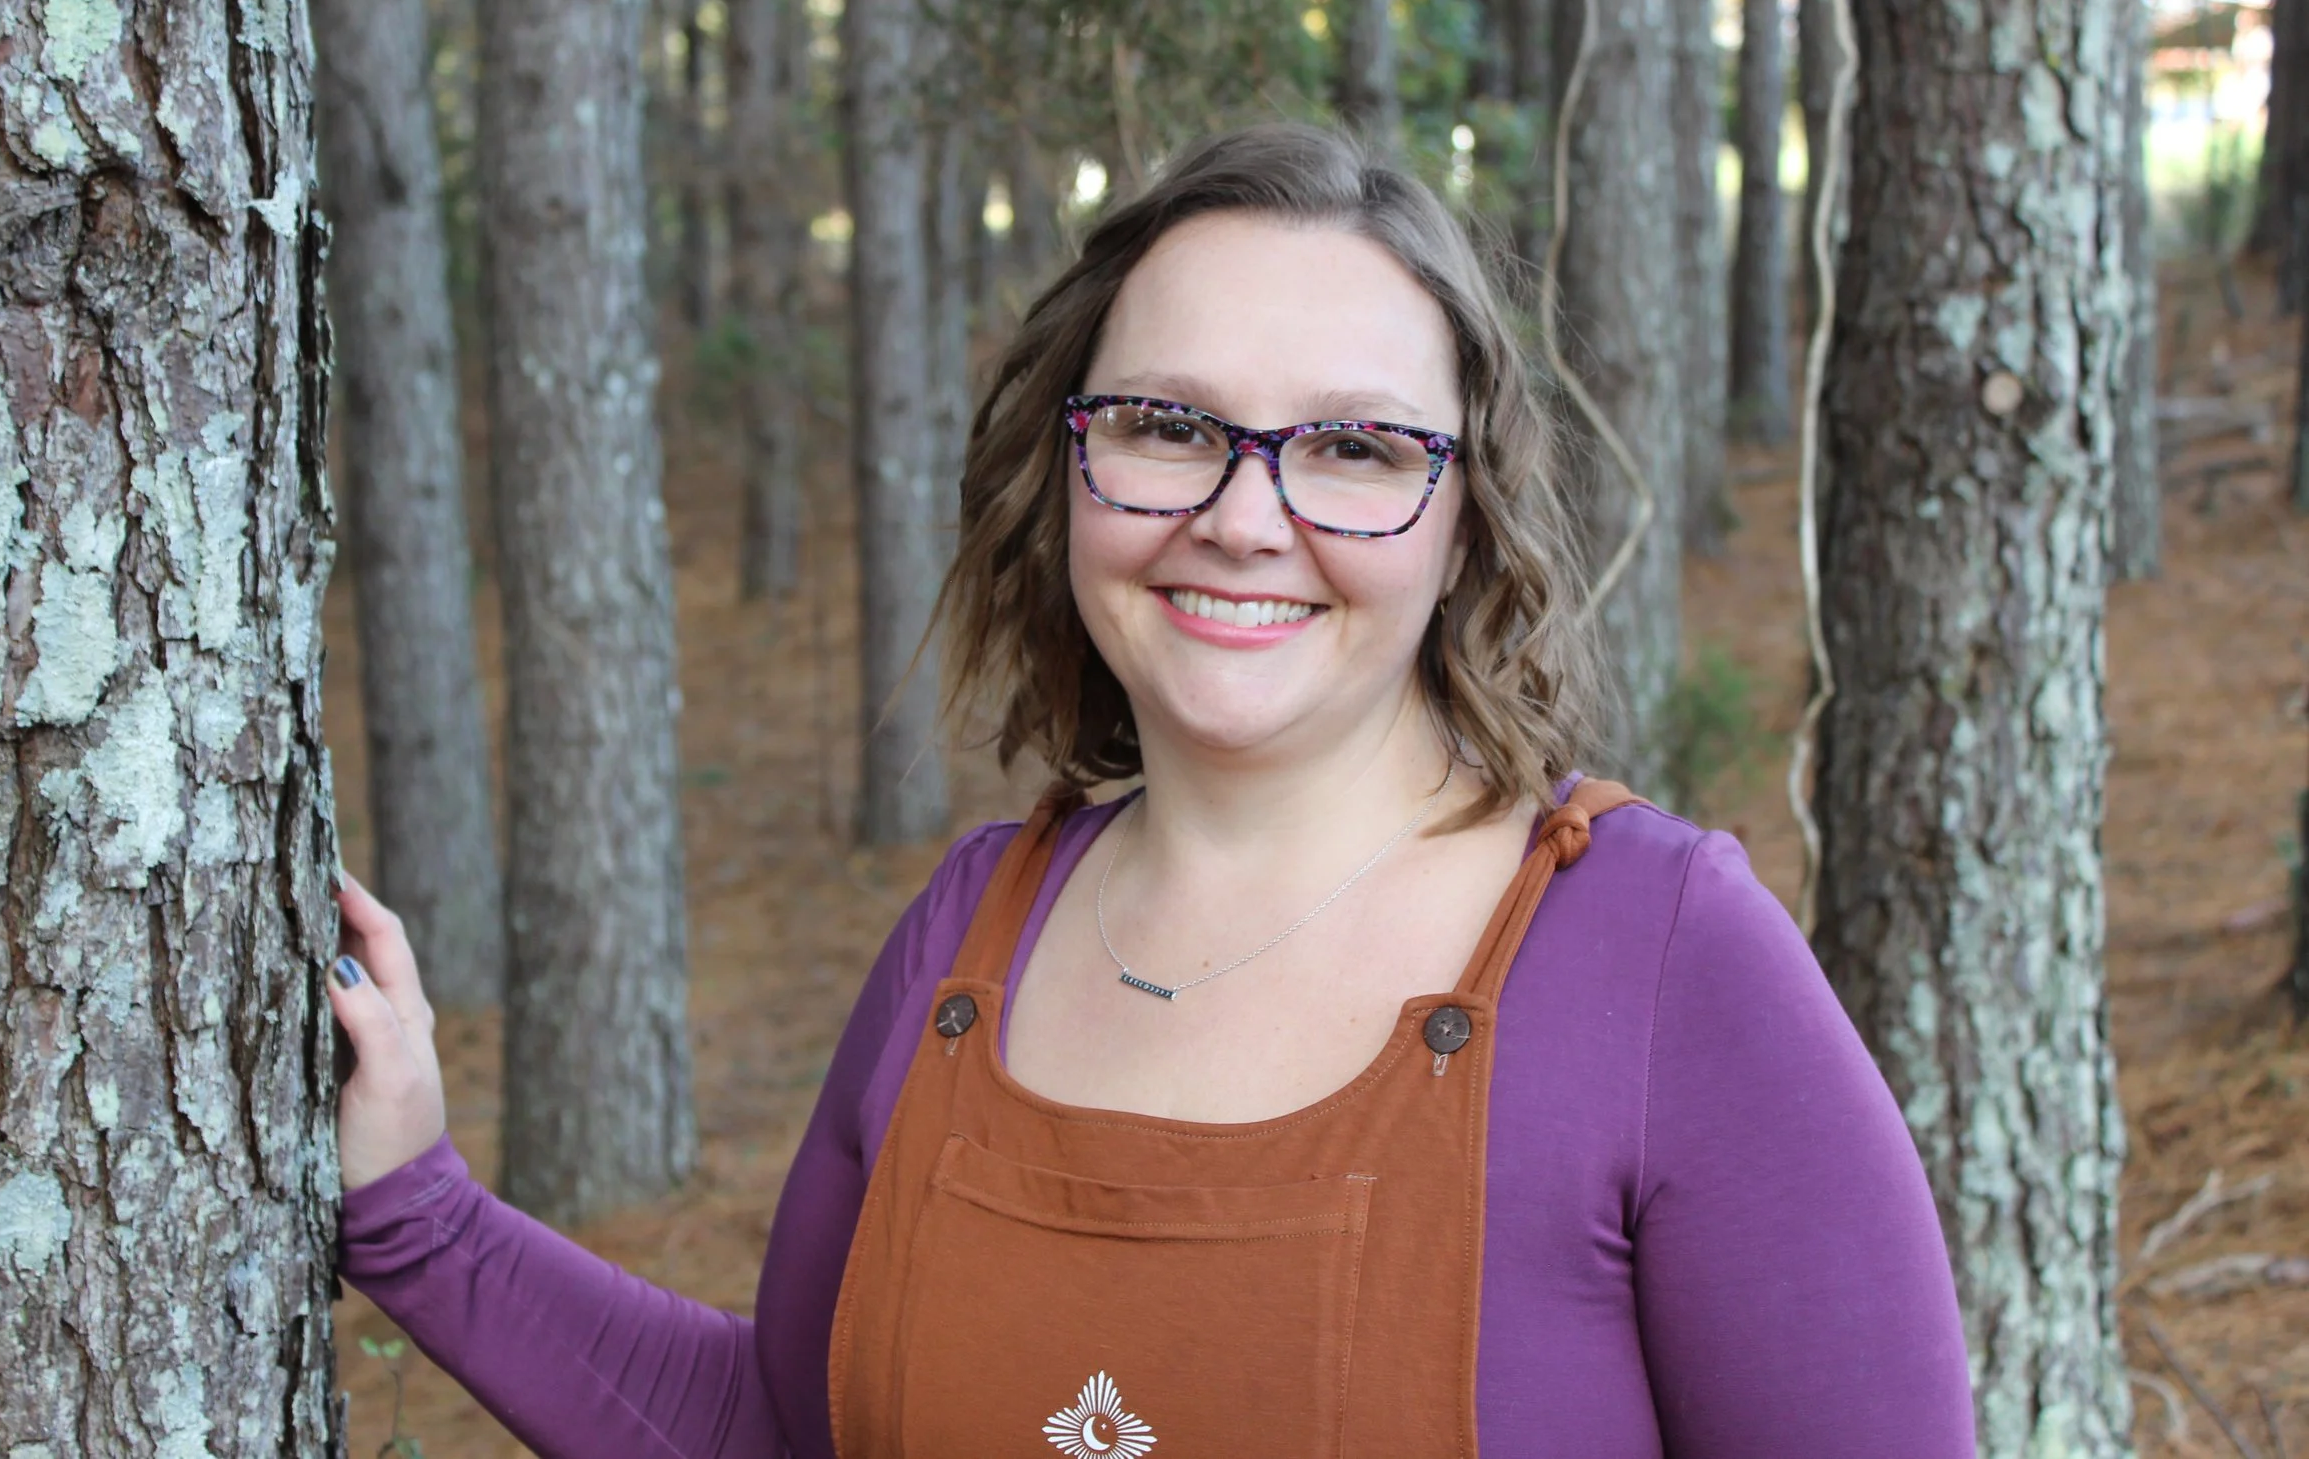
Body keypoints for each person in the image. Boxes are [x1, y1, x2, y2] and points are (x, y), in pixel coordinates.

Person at [327, 124, 1976, 1457]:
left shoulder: (1662, 964)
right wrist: (415, 1212)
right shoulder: (969, 939)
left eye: (1354, 447)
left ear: (1465, 513)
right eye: (1171, 424)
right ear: (1070, 467)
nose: (1246, 518)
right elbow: (776, 1431)